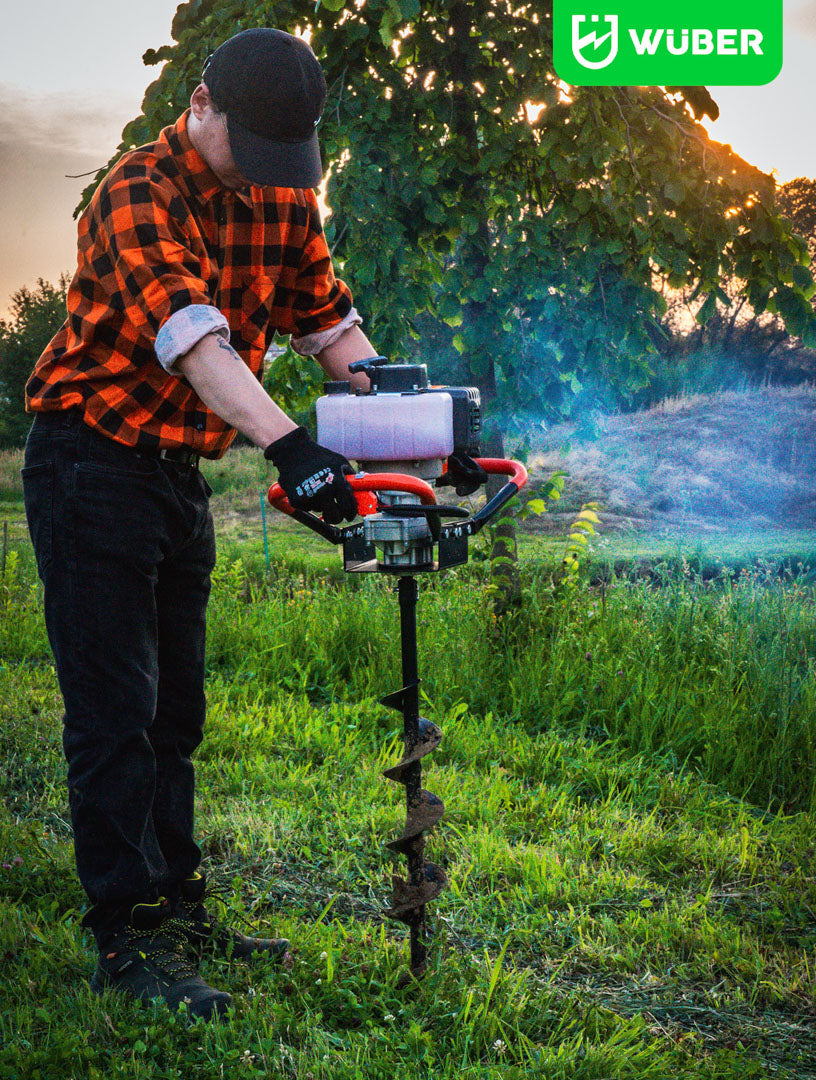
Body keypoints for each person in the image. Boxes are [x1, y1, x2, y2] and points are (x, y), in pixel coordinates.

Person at [22, 27, 378, 1021]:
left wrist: (407, 414)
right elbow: (195, 341)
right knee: (116, 716)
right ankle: (126, 940)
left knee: (175, 715)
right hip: (90, 460)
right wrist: (291, 446)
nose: (265, 178)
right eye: (249, 148)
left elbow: (326, 322)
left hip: (176, 476)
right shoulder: (137, 193)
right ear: (202, 106)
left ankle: (177, 906)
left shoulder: (279, 194)